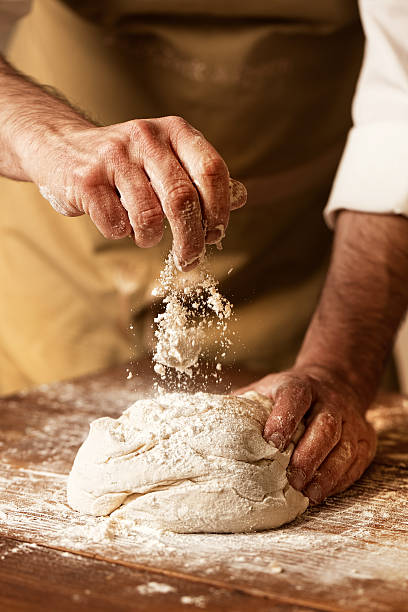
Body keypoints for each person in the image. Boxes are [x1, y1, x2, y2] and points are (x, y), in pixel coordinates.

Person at [0, 0, 407, 505]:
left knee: (301, 439)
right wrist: (49, 135)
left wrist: (338, 369)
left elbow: (403, 109)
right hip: (69, 252)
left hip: (311, 247)